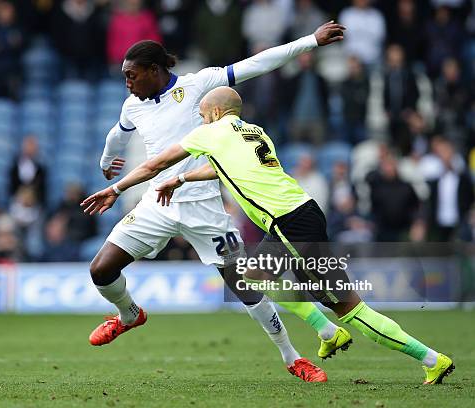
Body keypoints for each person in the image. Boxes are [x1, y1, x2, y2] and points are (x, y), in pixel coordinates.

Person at [83, 87, 454, 385]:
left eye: (201, 113)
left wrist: (117, 189)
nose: (198, 117)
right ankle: (326, 332)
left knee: (349, 309)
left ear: (212, 112)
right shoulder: (254, 132)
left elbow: (153, 163)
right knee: (253, 278)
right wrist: (180, 179)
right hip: (300, 214)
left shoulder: (209, 132)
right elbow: (222, 171)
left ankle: (431, 359)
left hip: (290, 222)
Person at [84, 22, 346, 383]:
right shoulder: (133, 105)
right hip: (156, 203)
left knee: (245, 285)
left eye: (132, 75)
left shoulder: (198, 85)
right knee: (100, 270)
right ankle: (129, 315)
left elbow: (257, 63)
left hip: (204, 204)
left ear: (154, 70)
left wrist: (310, 42)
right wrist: (106, 160)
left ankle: (292, 357)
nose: (127, 82)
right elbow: (119, 132)